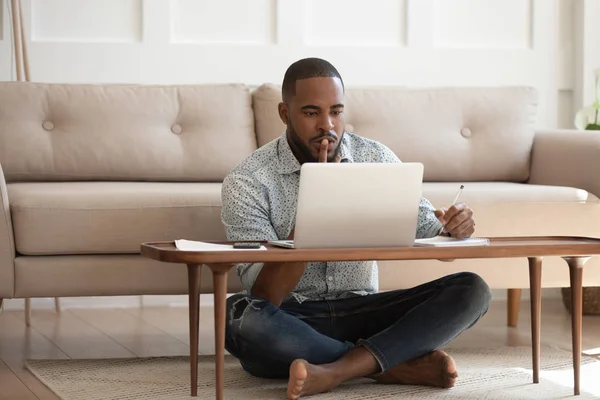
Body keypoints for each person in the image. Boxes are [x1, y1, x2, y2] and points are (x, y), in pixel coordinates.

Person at [220, 57, 492, 399]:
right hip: (294, 319)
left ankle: (335, 370)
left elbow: (430, 230)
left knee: (473, 289)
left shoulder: (374, 159)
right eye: (310, 113)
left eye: (336, 111)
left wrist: (455, 226)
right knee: (241, 316)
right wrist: (312, 219)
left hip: (365, 311)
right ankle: (390, 365)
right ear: (284, 114)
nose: (327, 126)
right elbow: (265, 296)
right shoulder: (247, 181)